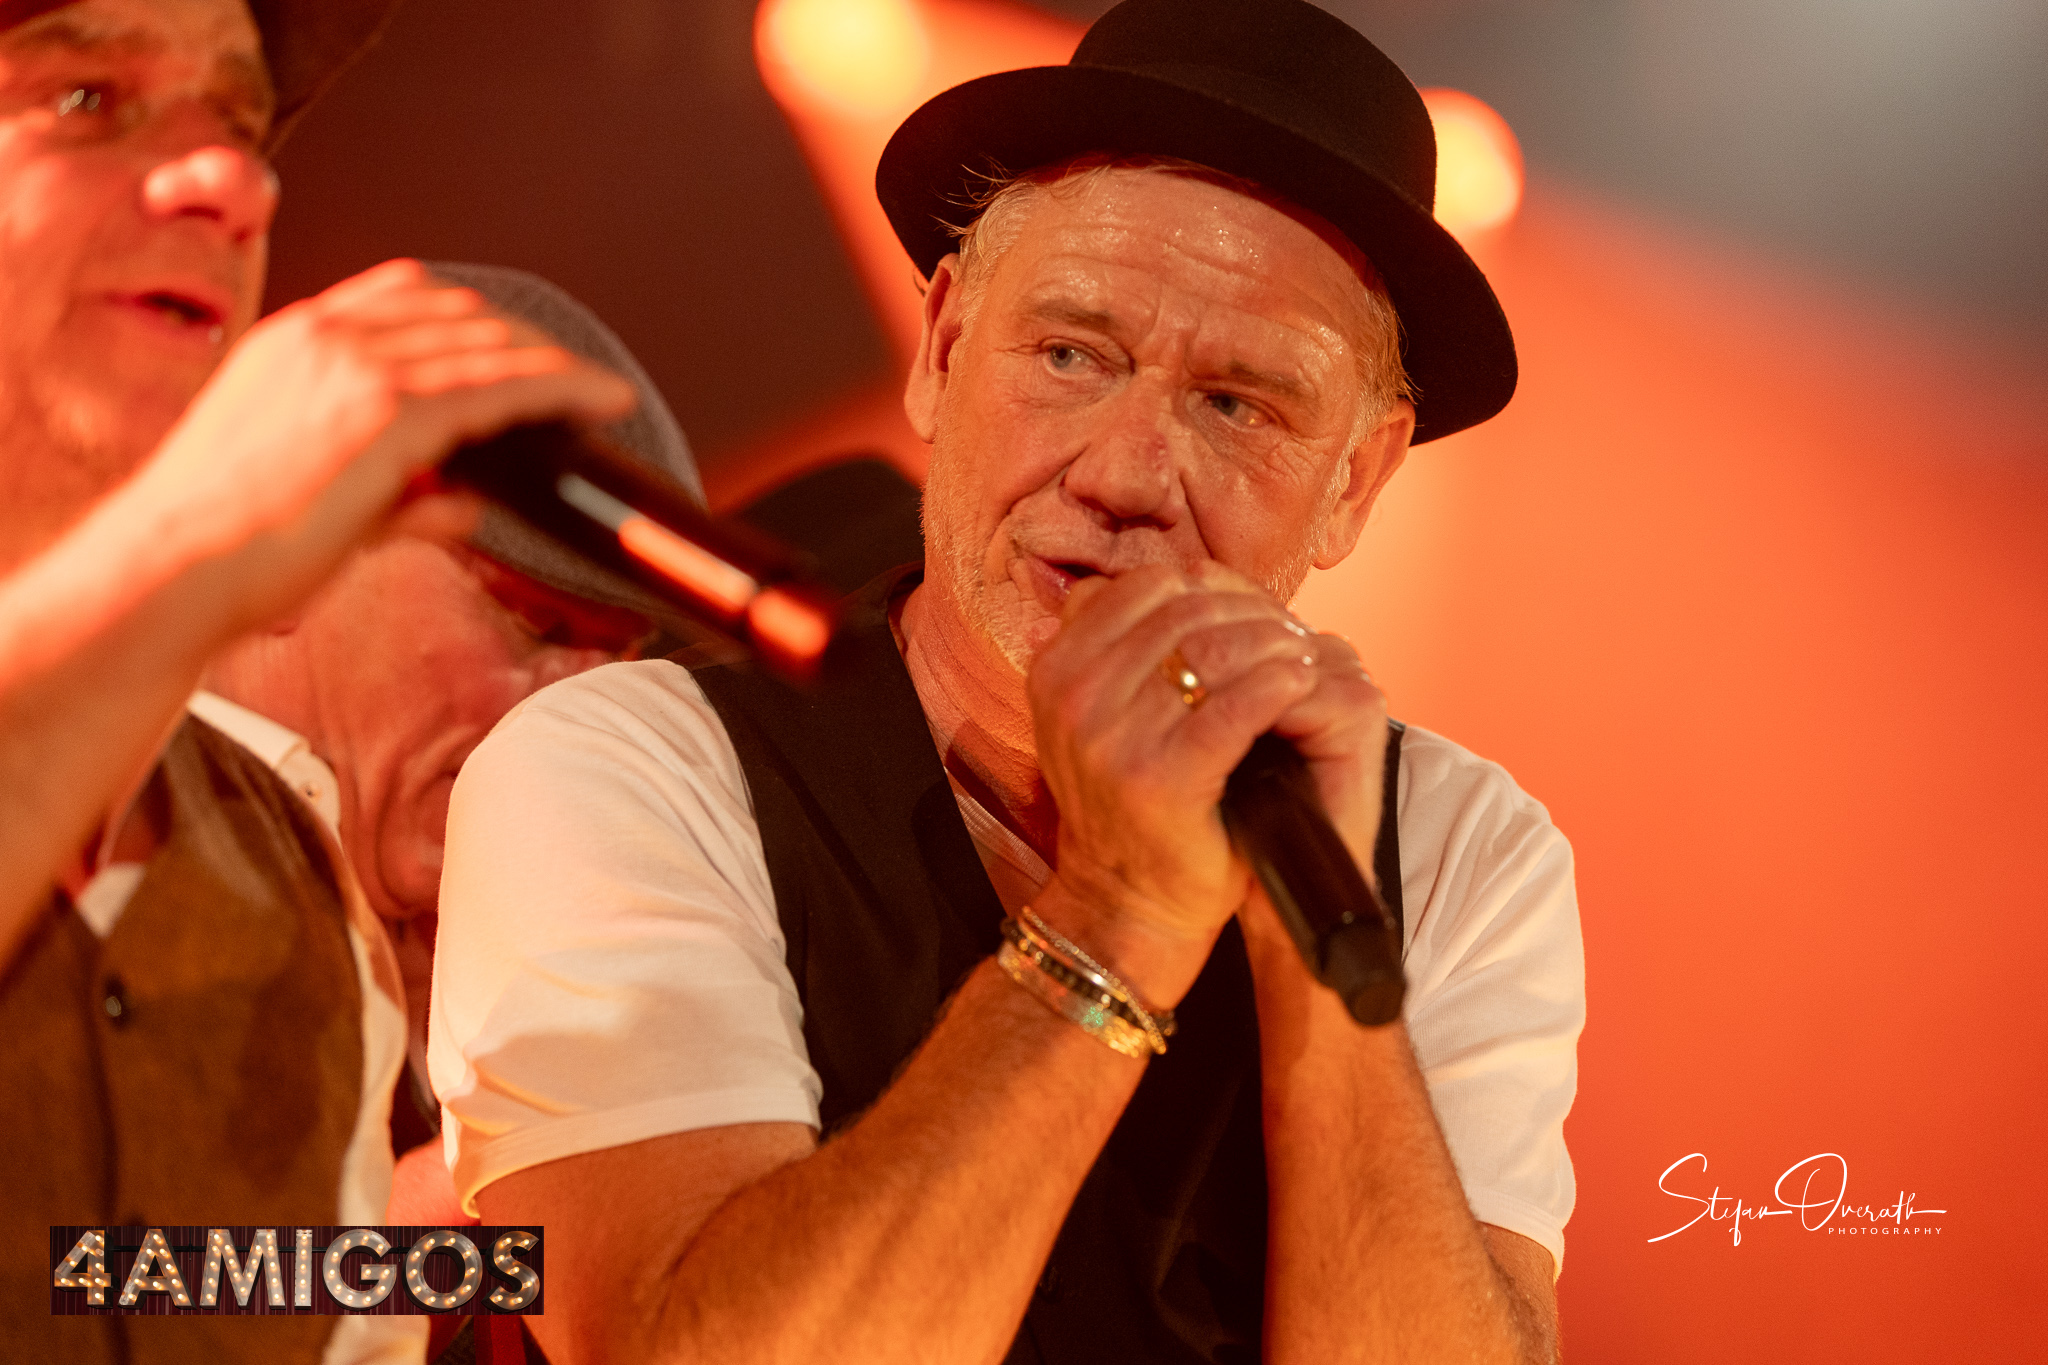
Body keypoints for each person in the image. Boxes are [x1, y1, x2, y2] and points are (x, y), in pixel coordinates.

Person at [431, 1, 1582, 1362]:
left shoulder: (1449, 848)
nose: (1126, 475)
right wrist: (1120, 918)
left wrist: (1323, 963)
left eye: (1239, 405)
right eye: (1071, 354)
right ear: (940, 349)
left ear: (1357, 481)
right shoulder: (634, 769)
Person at [0, 3, 634, 1362]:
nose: (227, 178)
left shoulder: (283, 870)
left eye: (239, 122)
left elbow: (134, 1279)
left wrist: (618, 1186)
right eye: (87, 98)